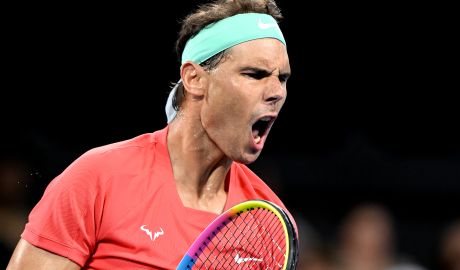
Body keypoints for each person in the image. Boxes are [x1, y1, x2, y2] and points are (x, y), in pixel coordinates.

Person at [7, 0, 294, 269]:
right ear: (194, 79)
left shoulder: (268, 224)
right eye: (254, 74)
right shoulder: (98, 178)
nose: (276, 92)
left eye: (282, 78)